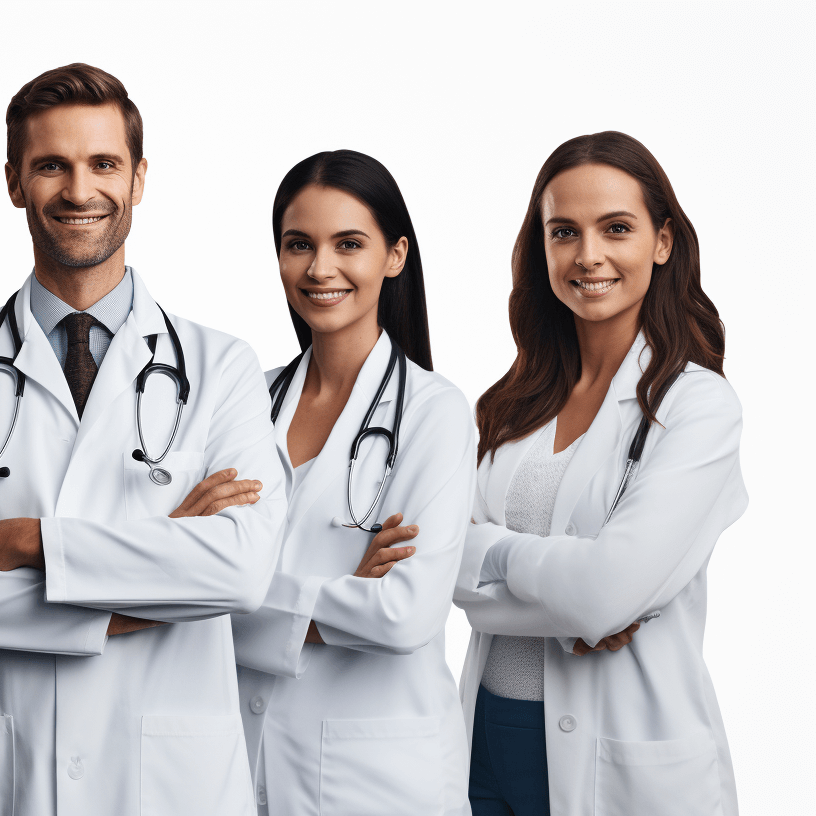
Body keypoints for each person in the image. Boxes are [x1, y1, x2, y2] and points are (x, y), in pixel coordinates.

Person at [0, 63, 287, 816]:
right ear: (13, 182)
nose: (78, 190)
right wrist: (147, 581)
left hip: (166, 784)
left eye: (103, 164)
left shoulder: (220, 366)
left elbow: (241, 570)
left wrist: (26, 541)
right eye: (51, 166)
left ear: (138, 180)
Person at [455, 131, 746, 816]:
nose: (589, 255)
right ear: (543, 249)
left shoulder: (698, 408)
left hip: (625, 761)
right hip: (484, 746)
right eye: (564, 232)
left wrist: (491, 555)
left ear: (663, 241)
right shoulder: (512, 405)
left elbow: (602, 597)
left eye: (616, 228)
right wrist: (565, 586)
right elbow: (439, 569)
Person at [233, 150, 476, 815]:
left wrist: (236, 596)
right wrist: (340, 596)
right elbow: (184, 592)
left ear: (395, 255)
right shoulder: (245, 405)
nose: (319, 268)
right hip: (245, 763)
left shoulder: (435, 413)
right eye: (298, 245)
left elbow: (404, 613)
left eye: (349, 244)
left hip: (380, 783)